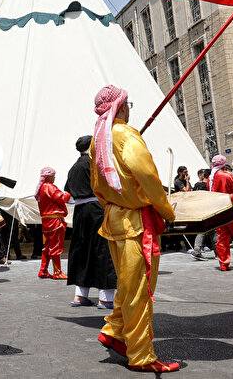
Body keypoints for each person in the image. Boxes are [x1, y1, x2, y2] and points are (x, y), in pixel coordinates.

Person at [89, 86, 179, 372]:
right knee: (139, 289)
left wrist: (115, 201)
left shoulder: (97, 139)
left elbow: (96, 186)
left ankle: (115, 330)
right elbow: (148, 177)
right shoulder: (126, 135)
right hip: (136, 221)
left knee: (128, 285)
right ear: (123, 107)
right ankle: (141, 355)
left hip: (114, 217)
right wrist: (166, 210)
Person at [65, 135, 116, 309]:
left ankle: (80, 296)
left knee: (82, 251)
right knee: (104, 250)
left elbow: (69, 192)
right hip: (96, 209)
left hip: (79, 213)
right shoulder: (94, 163)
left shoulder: (73, 168)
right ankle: (105, 298)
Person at [36, 167, 71, 279]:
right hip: (55, 221)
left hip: (46, 221)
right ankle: (57, 272)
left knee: (47, 246)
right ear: (49, 177)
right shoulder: (49, 187)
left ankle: (43, 270)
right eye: (53, 176)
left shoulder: (42, 188)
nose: (54, 178)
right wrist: (69, 191)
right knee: (56, 246)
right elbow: (63, 197)